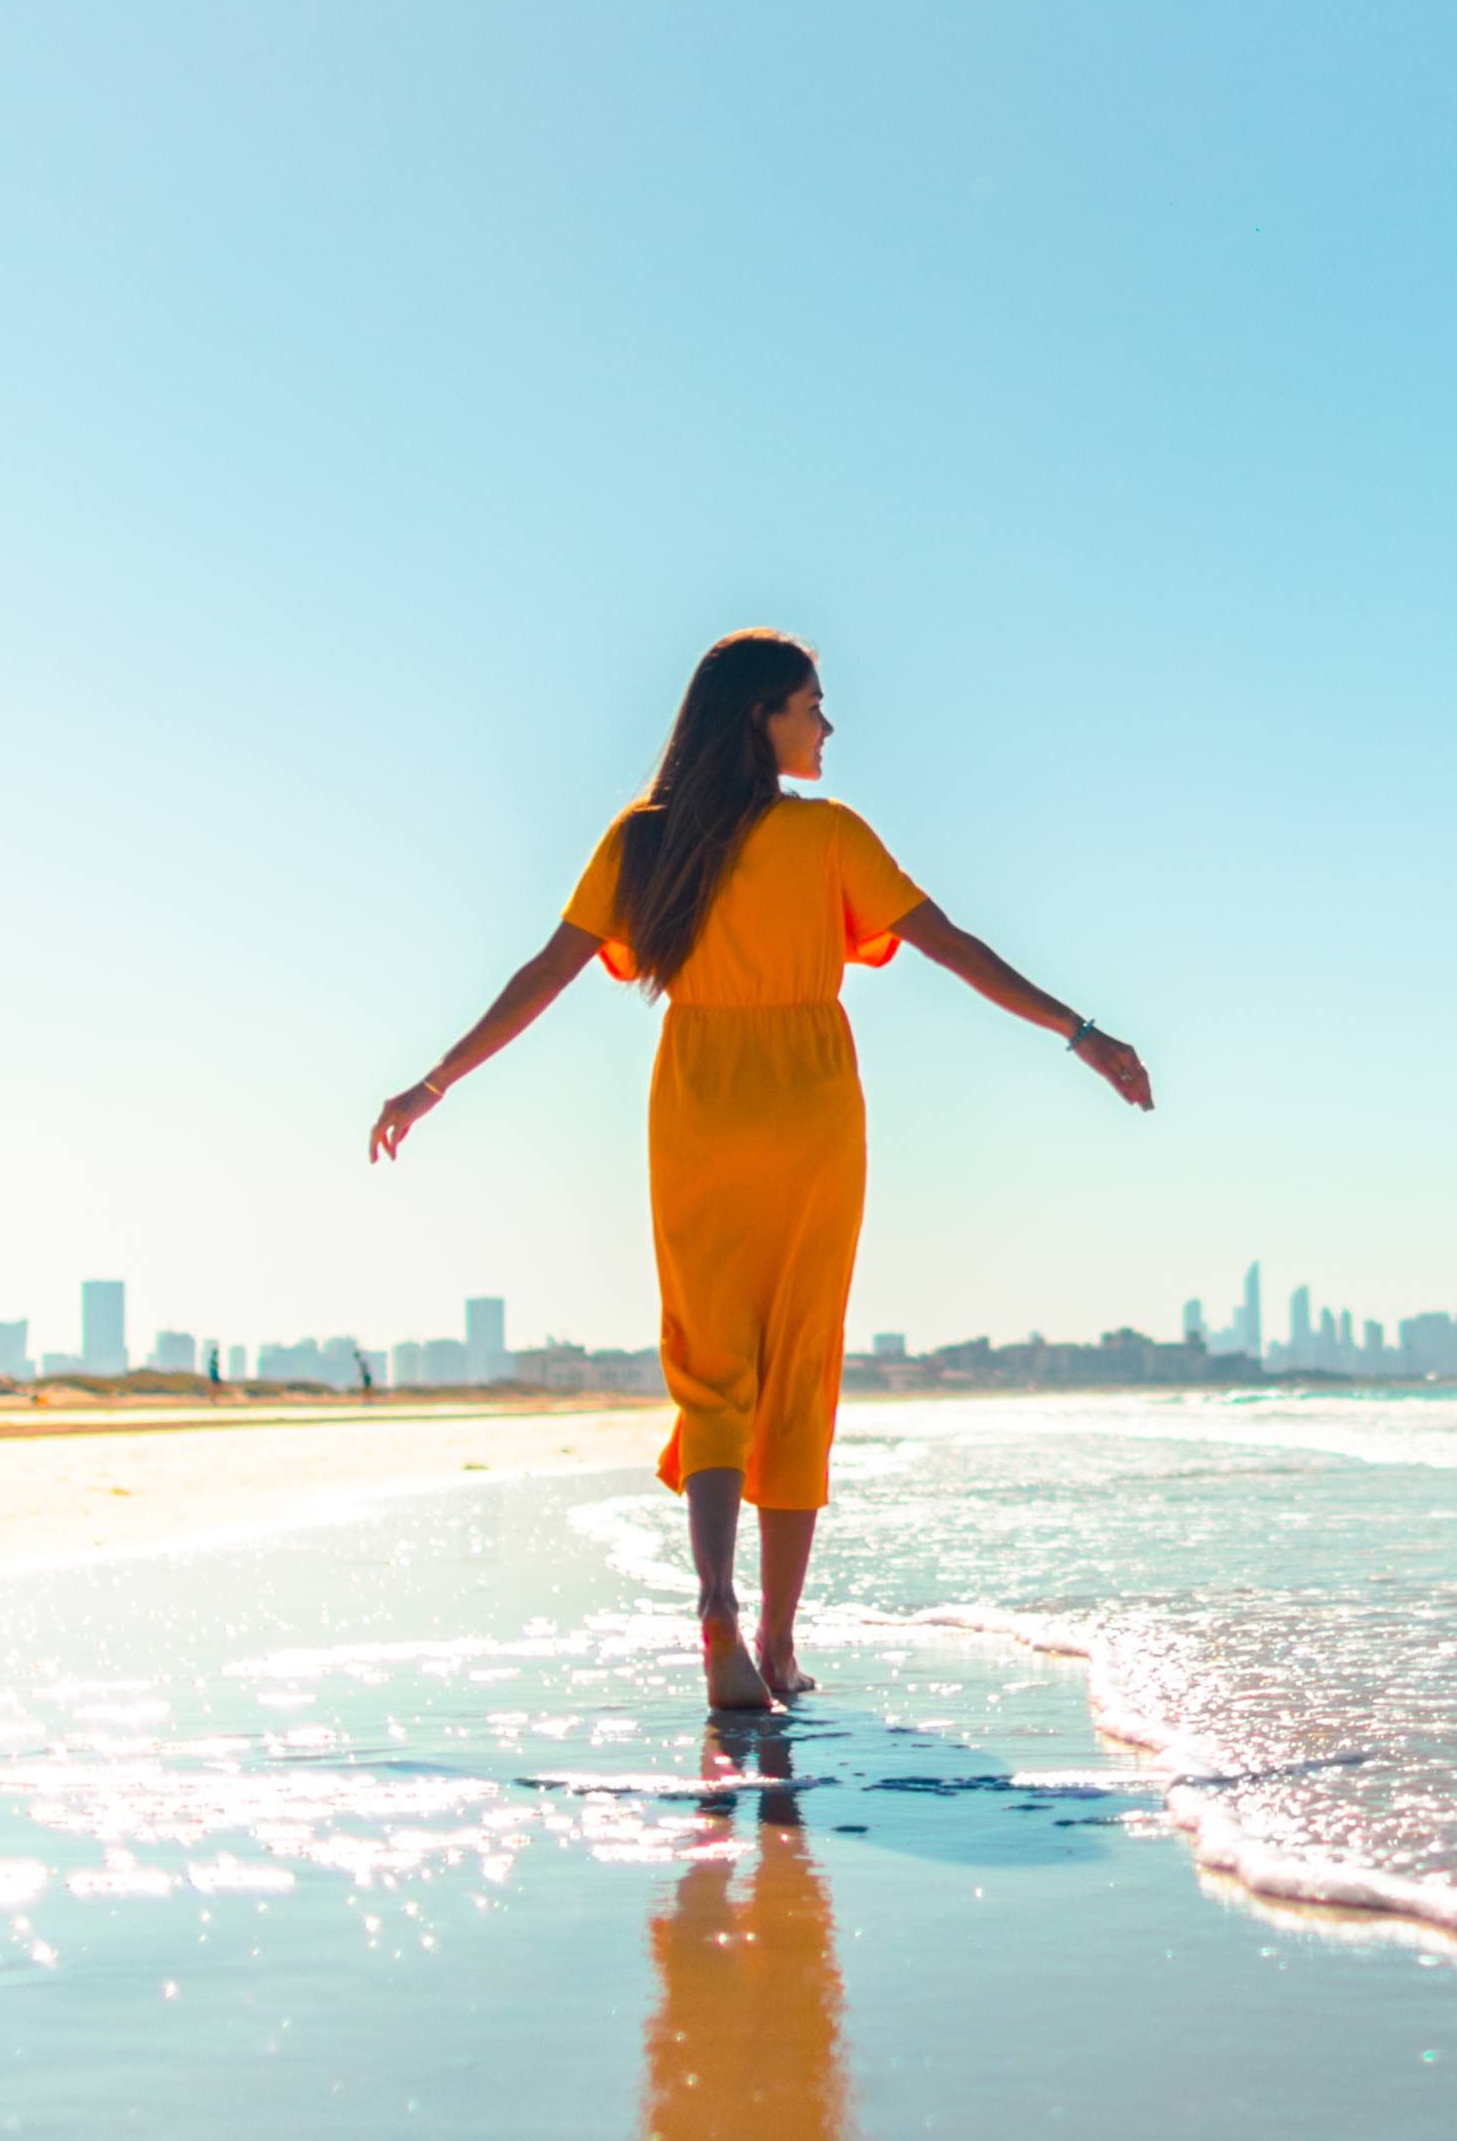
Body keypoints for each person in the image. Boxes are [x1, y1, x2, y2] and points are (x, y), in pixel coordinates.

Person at [369, 630, 1152, 1711]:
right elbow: (953, 945)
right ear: (760, 718)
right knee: (799, 1360)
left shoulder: (643, 841)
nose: (827, 726)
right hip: (811, 1104)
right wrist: (1082, 1033)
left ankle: (716, 1615)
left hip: (697, 1100)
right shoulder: (829, 834)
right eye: (811, 705)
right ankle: (780, 1646)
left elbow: (545, 973)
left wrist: (435, 1082)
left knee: (711, 1364)